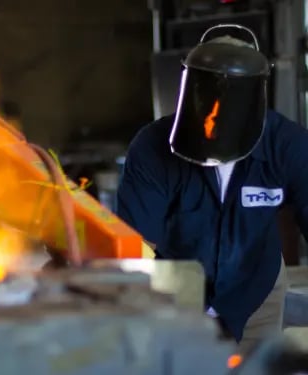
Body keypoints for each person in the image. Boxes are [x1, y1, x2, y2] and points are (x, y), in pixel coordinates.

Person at [115, 24, 303, 353]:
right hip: (175, 290)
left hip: (256, 288)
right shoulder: (151, 148)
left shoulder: (287, 146)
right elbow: (135, 243)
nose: (214, 118)